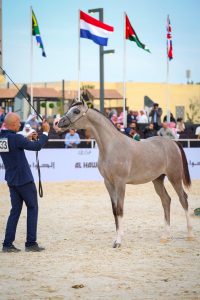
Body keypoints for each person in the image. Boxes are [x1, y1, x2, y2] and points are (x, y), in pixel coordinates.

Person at [0, 113, 50, 252]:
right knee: (33, 208)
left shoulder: (2, 138)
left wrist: (27, 138)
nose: (19, 125)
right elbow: (37, 146)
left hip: (11, 179)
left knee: (15, 211)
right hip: (24, 180)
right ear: (11, 124)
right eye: (17, 123)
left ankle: (7, 244)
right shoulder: (16, 138)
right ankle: (31, 243)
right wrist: (45, 131)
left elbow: (16, 145)